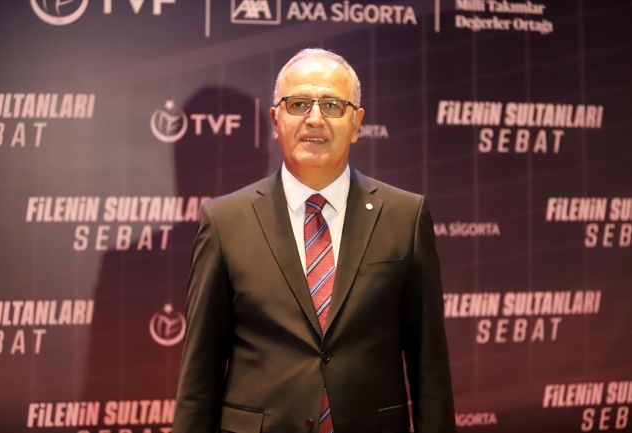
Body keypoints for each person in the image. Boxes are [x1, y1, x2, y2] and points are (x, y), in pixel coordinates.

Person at [173, 48, 455, 433]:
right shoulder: (224, 221)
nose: (315, 119)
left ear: (356, 123)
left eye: (333, 105)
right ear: (276, 120)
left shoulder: (405, 217)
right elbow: (199, 376)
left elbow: (430, 369)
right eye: (299, 104)